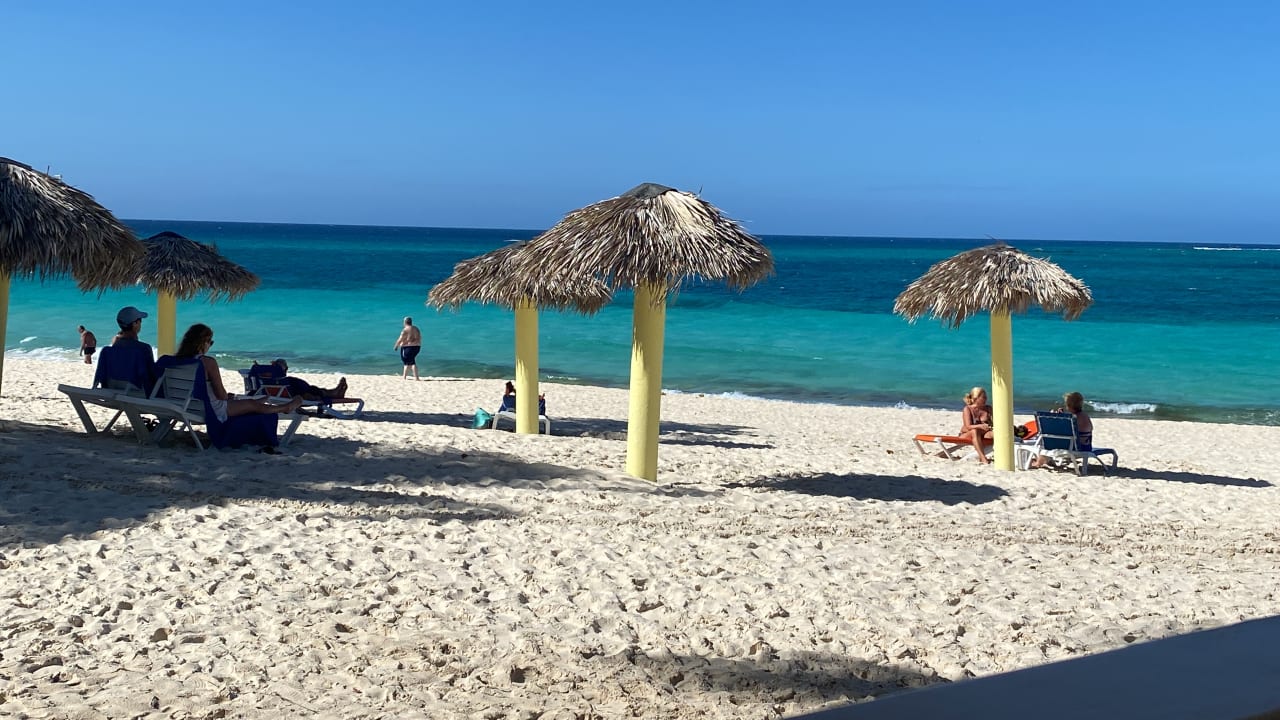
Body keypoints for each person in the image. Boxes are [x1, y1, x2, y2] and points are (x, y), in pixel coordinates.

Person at [174, 323, 302, 422]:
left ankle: (256, 401)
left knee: (242, 401)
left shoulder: (174, 362)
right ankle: (285, 407)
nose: (210, 346)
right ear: (202, 343)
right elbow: (221, 395)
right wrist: (226, 397)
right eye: (210, 342)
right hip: (210, 409)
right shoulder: (208, 362)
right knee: (252, 405)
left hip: (185, 406)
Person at [94, 306, 158, 393]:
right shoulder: (144, 349)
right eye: (140, 321)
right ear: (135, 323)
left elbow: (101, 377)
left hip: (111, 393)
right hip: (137, 396)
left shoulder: (107, 351)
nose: (140, 324)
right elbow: (151, 377)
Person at [1032, 391, 1094, 469]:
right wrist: (1062, 417)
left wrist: (1054, 417)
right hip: (1085, 446)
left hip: (1076, 448)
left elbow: (1060, 430)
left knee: (1047, 439)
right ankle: (1046, 460)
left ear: (1068, 405)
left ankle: (1039, 462)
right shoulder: (1084, 416)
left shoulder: (1073, 418)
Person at [268, 358, 348, 401]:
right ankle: (334, 393)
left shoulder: (264, 380)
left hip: (279, 394)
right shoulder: (288, 381)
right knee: (309, 389)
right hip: (296, 395)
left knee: (310, 388)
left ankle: (333, 392)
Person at [959, 386, 995, 464]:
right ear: (976, 398)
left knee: (996, 434)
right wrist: (980, 426)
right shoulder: (967, 409)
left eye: (986, 397)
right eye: (983, 397)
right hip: (967, 434)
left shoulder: (988, 408)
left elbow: (994, 423)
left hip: (984, 433)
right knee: (975, 431)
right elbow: (968, 426)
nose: (986, 399)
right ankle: (982, 457)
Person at [394, 316, 422, 380]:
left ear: (405, 322)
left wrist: (396, 346)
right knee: (410, 361)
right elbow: (420, 338)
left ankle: (412, 377)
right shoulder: (416, 328)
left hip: (408, 348)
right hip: (417, 347)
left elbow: (400, 339)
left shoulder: (405, 330)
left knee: (409, 362)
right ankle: (408, 377)